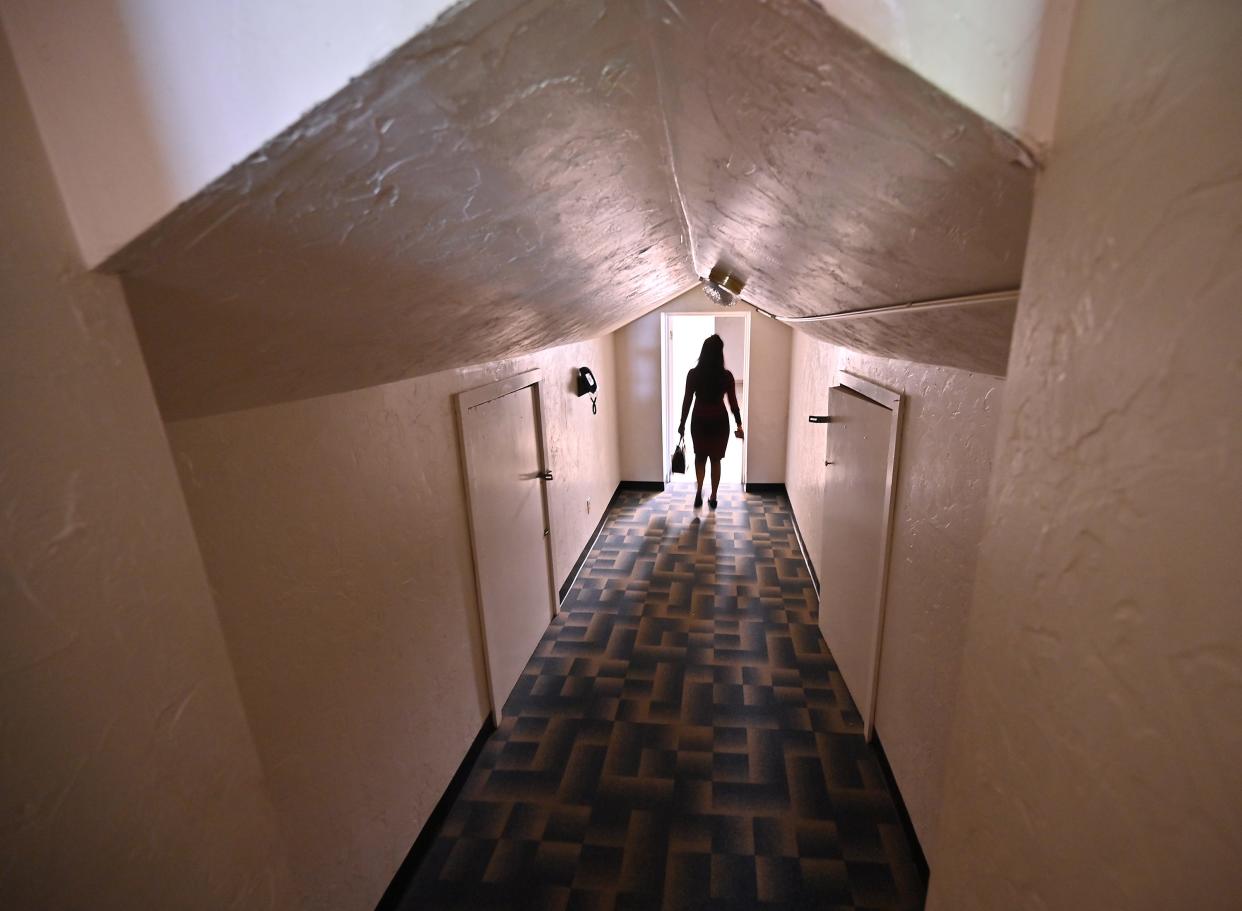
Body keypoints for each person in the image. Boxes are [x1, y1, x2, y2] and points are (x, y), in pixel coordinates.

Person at [677, 334, 744, 509]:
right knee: (716, 460)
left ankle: (699, 491)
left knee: (700, 457)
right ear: (720, 353)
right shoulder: (726, 376)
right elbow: (733, 402)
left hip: (699, 421)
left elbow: (687, 401)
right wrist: (739, 424)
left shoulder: (693, 374)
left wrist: (682, 423)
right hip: (719, 423)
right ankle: (713, 496)